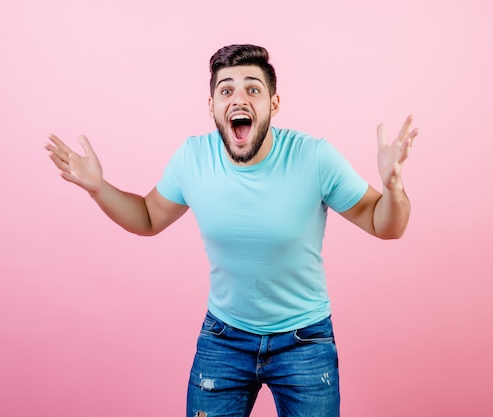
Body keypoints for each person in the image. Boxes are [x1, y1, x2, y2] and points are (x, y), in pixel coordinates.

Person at [44, 44, 418, 417]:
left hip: (305, 340)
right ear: (212, 107)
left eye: (253, 89)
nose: (239, 98)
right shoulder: (193, 158)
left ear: (273, 103)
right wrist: (98, 187)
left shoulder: (314, 157)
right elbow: (147, 217)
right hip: (225, 338)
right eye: (226, 90)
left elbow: (384, 224)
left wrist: (393, 187)